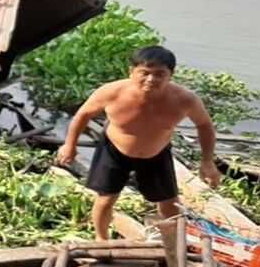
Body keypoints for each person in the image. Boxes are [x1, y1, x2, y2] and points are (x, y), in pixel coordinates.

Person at [56, 46, 220, 241]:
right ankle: (101, 240)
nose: (151, 79)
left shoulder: (185, 100)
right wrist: (69, 145)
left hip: (156, 154)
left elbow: (205, 126)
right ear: (131, 72)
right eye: (145, 73)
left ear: (171, 75)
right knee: (106, 198)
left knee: (169, 203)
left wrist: (207, 162)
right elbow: (83, 115)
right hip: (114, 150)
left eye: (159, 74)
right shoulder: (111, 92)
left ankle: (172, 241)